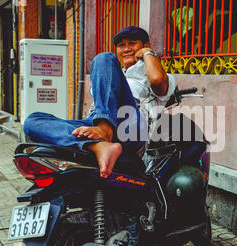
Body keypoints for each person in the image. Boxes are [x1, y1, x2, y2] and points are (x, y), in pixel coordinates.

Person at [23, 26, 176, 179]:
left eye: (132, 43)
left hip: (130, 128)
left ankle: (104, 129)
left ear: (145, 45)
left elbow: (158, 81)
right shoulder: (112, 72)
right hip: (94, 122)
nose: (127, 49)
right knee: (32, 121)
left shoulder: (155, 74)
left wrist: (147, 53)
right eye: (121, 45)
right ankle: (98, 145)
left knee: (104, 58)